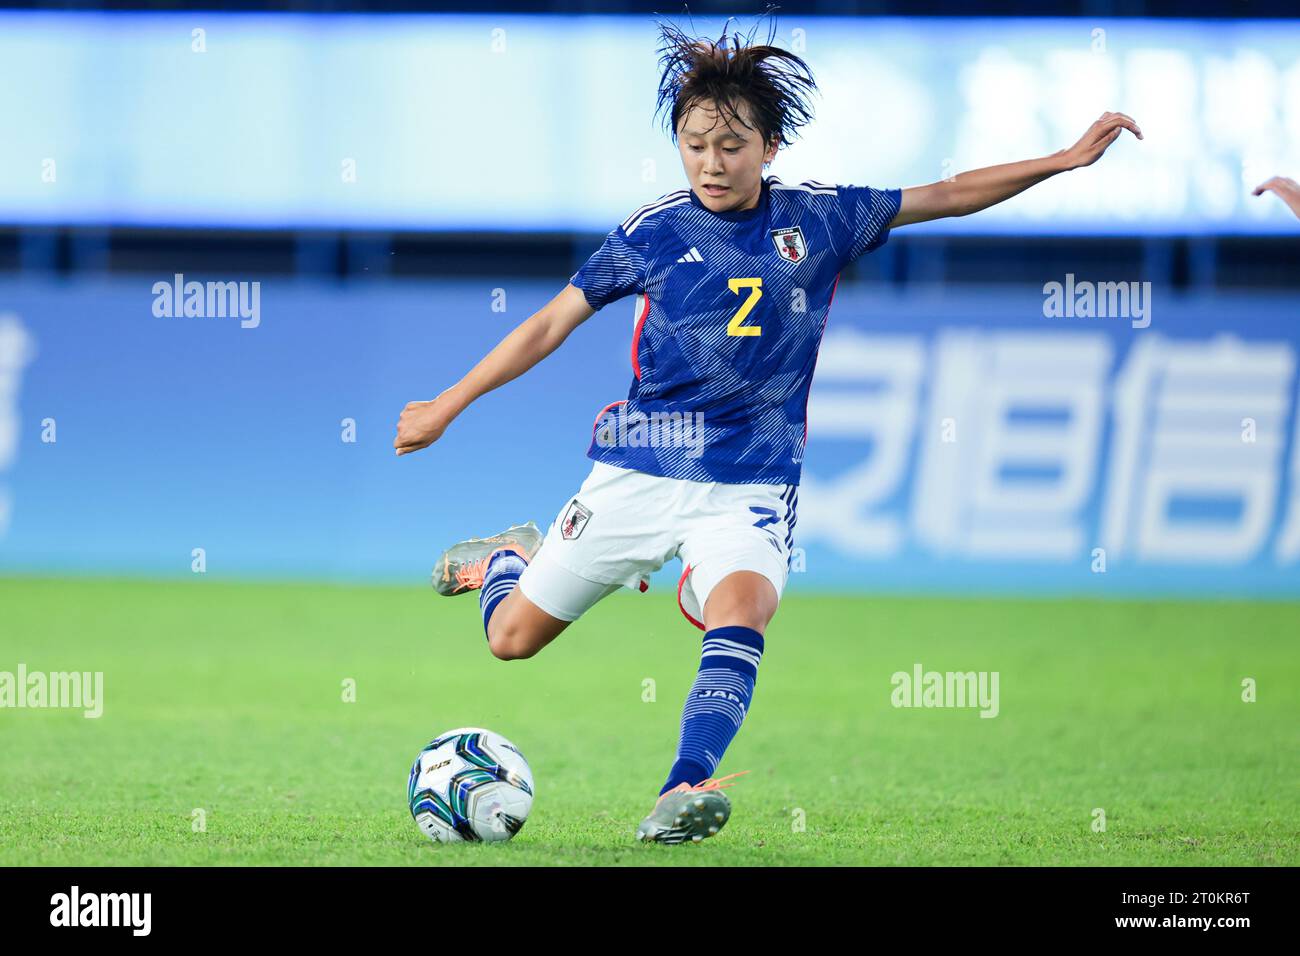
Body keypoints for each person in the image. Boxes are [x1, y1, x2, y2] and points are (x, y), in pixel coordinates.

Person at [393, 19, 1142, 844]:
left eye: (731, 145)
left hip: (751, 477)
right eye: (695, 144)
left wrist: (1061, 160)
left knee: (743, 611)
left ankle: (683, 785)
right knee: (510, 641)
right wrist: (447, 404)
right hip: (642, 468)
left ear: (770, 146)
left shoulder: (820, 219)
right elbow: (546, 325)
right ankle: (507, 558)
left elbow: (948, 193)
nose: (712, 163)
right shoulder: (653, 231)